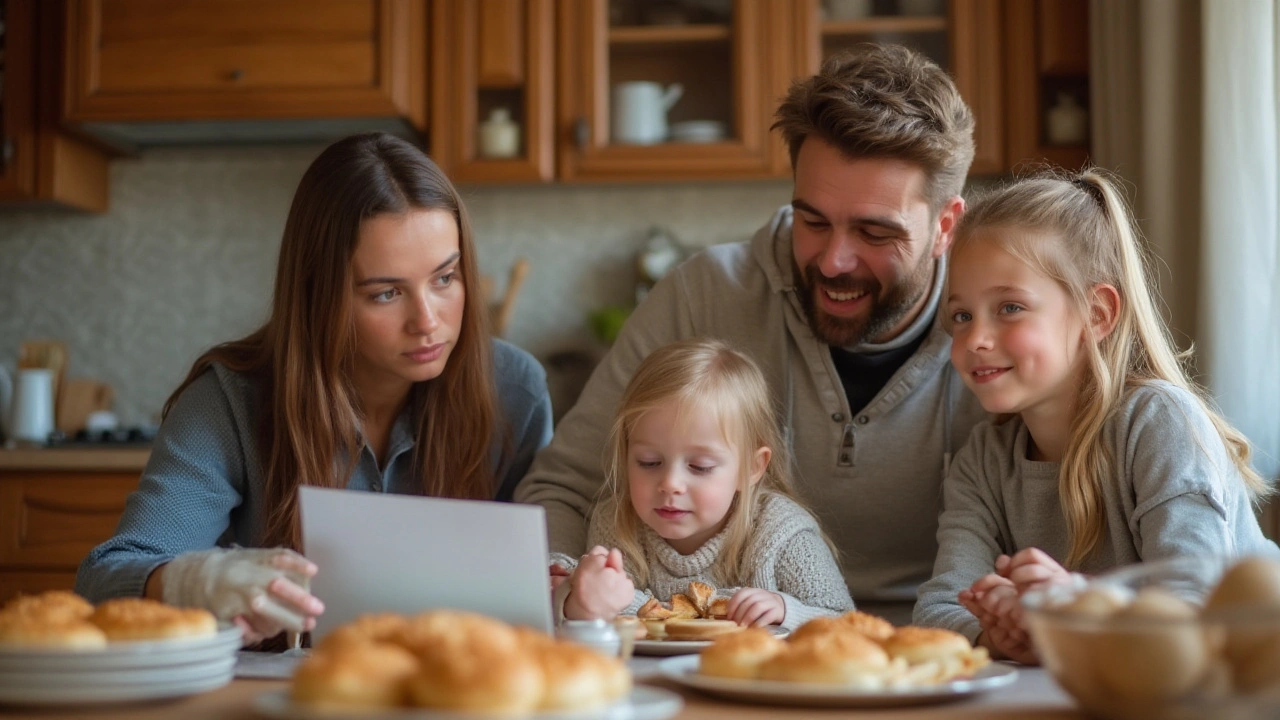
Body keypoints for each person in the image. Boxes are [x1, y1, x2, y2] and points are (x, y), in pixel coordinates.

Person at [516, 44, 988, 625]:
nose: (835, 261)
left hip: (928, 647)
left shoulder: (992, 330)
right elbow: (565, 485)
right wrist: (569, 586)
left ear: (945, 225)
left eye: (873, 231)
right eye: (812, 221)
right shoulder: (702, 296)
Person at [76, 132, 554, 645]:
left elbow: (540, 579)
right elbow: (106, 578)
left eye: (444, 278)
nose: (427, 321)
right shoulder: (228, 400)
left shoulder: (515, 389)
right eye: (386, 293)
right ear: (318, 294)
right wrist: (197, 580)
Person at [913, 168, 1278, 664]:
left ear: (1097, 314)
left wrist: (1083, 608)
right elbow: (938, 608)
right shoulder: (982, 462)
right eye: (961, 315)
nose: (975, 338)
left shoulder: (1159, 423)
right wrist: (992, 634)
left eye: (1010, 307)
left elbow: (1200, 608)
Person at [560, 339, 854, 630]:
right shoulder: (617, 524)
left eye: (700, 467)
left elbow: (846, 622)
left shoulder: (781, 532)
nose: (670, 484)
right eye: (649, 462)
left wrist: (787, 610)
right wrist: (581, 603)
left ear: (751, 468)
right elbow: (584, 617)